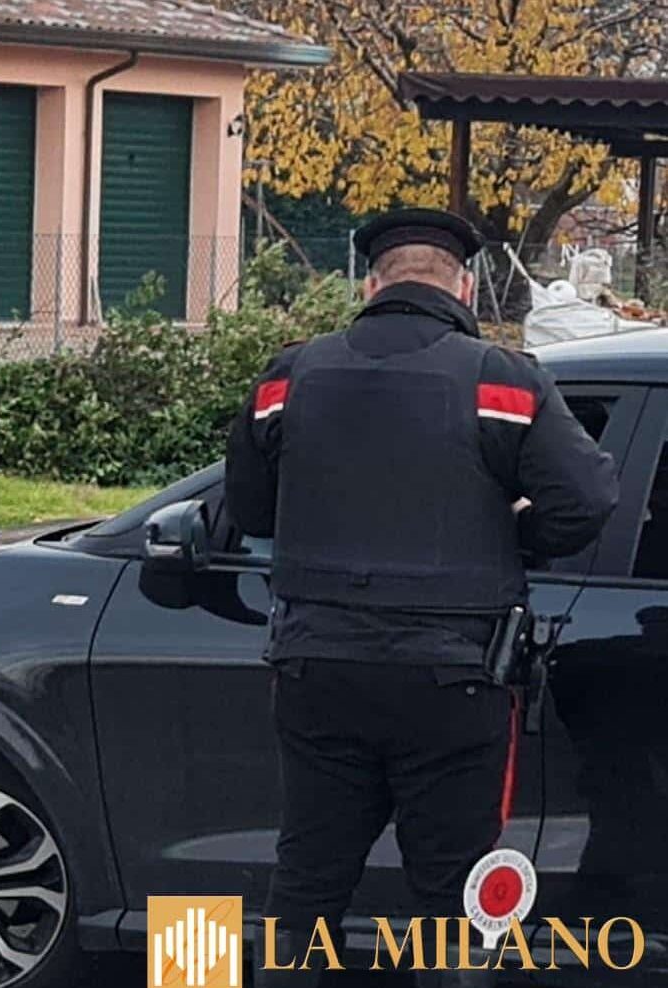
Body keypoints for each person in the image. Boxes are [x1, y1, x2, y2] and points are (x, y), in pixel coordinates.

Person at [224, 208, 619, 988]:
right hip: (454, 682)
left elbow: (249, 511)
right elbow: (586, 501)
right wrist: (513, 534)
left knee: (305, 885)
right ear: (464, 287)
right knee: (454, 902)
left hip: (317, 670)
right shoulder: (501, 381)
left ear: (370, 286)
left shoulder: (288, 379)